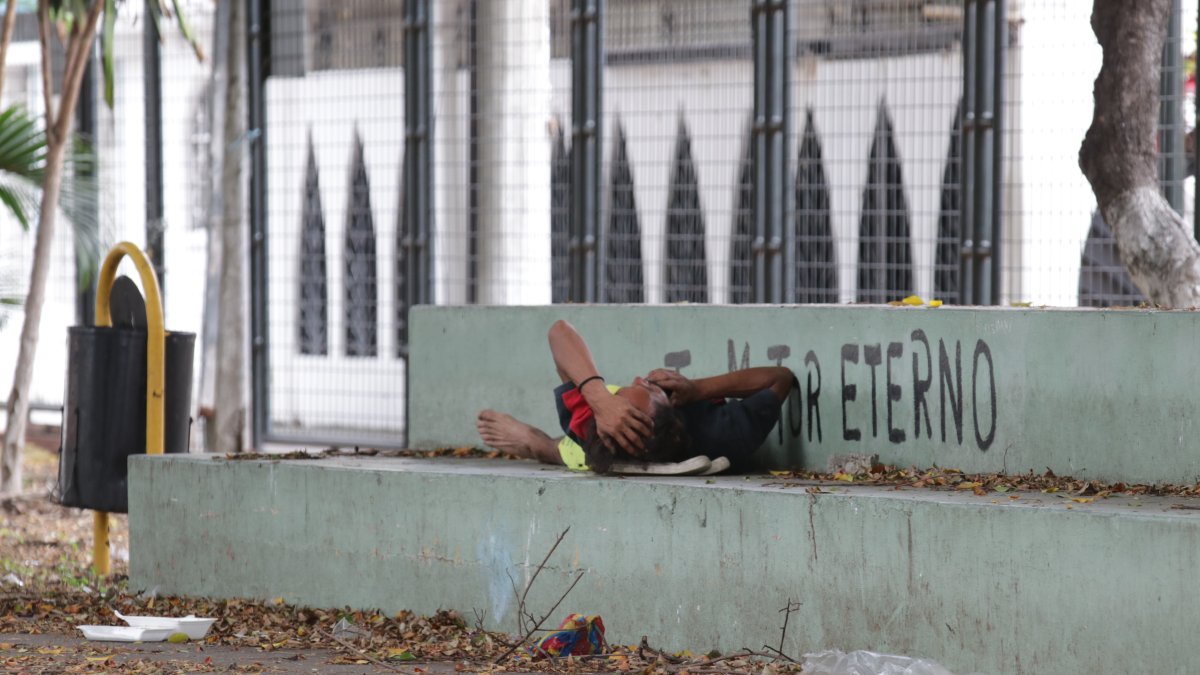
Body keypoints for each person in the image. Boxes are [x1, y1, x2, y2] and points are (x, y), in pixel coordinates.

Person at [476, 320, 794, 473]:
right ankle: (535, 439)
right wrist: (601, 398)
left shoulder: (593, 416)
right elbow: (780, 379)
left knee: (557, 449)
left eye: (642, 387)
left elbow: (558, 331)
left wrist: (599, 398)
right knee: (571, 448)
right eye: (646, 387)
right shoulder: (719, 432)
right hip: (595, 420)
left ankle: (532, 440)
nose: (639, 378)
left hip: (587, 433)